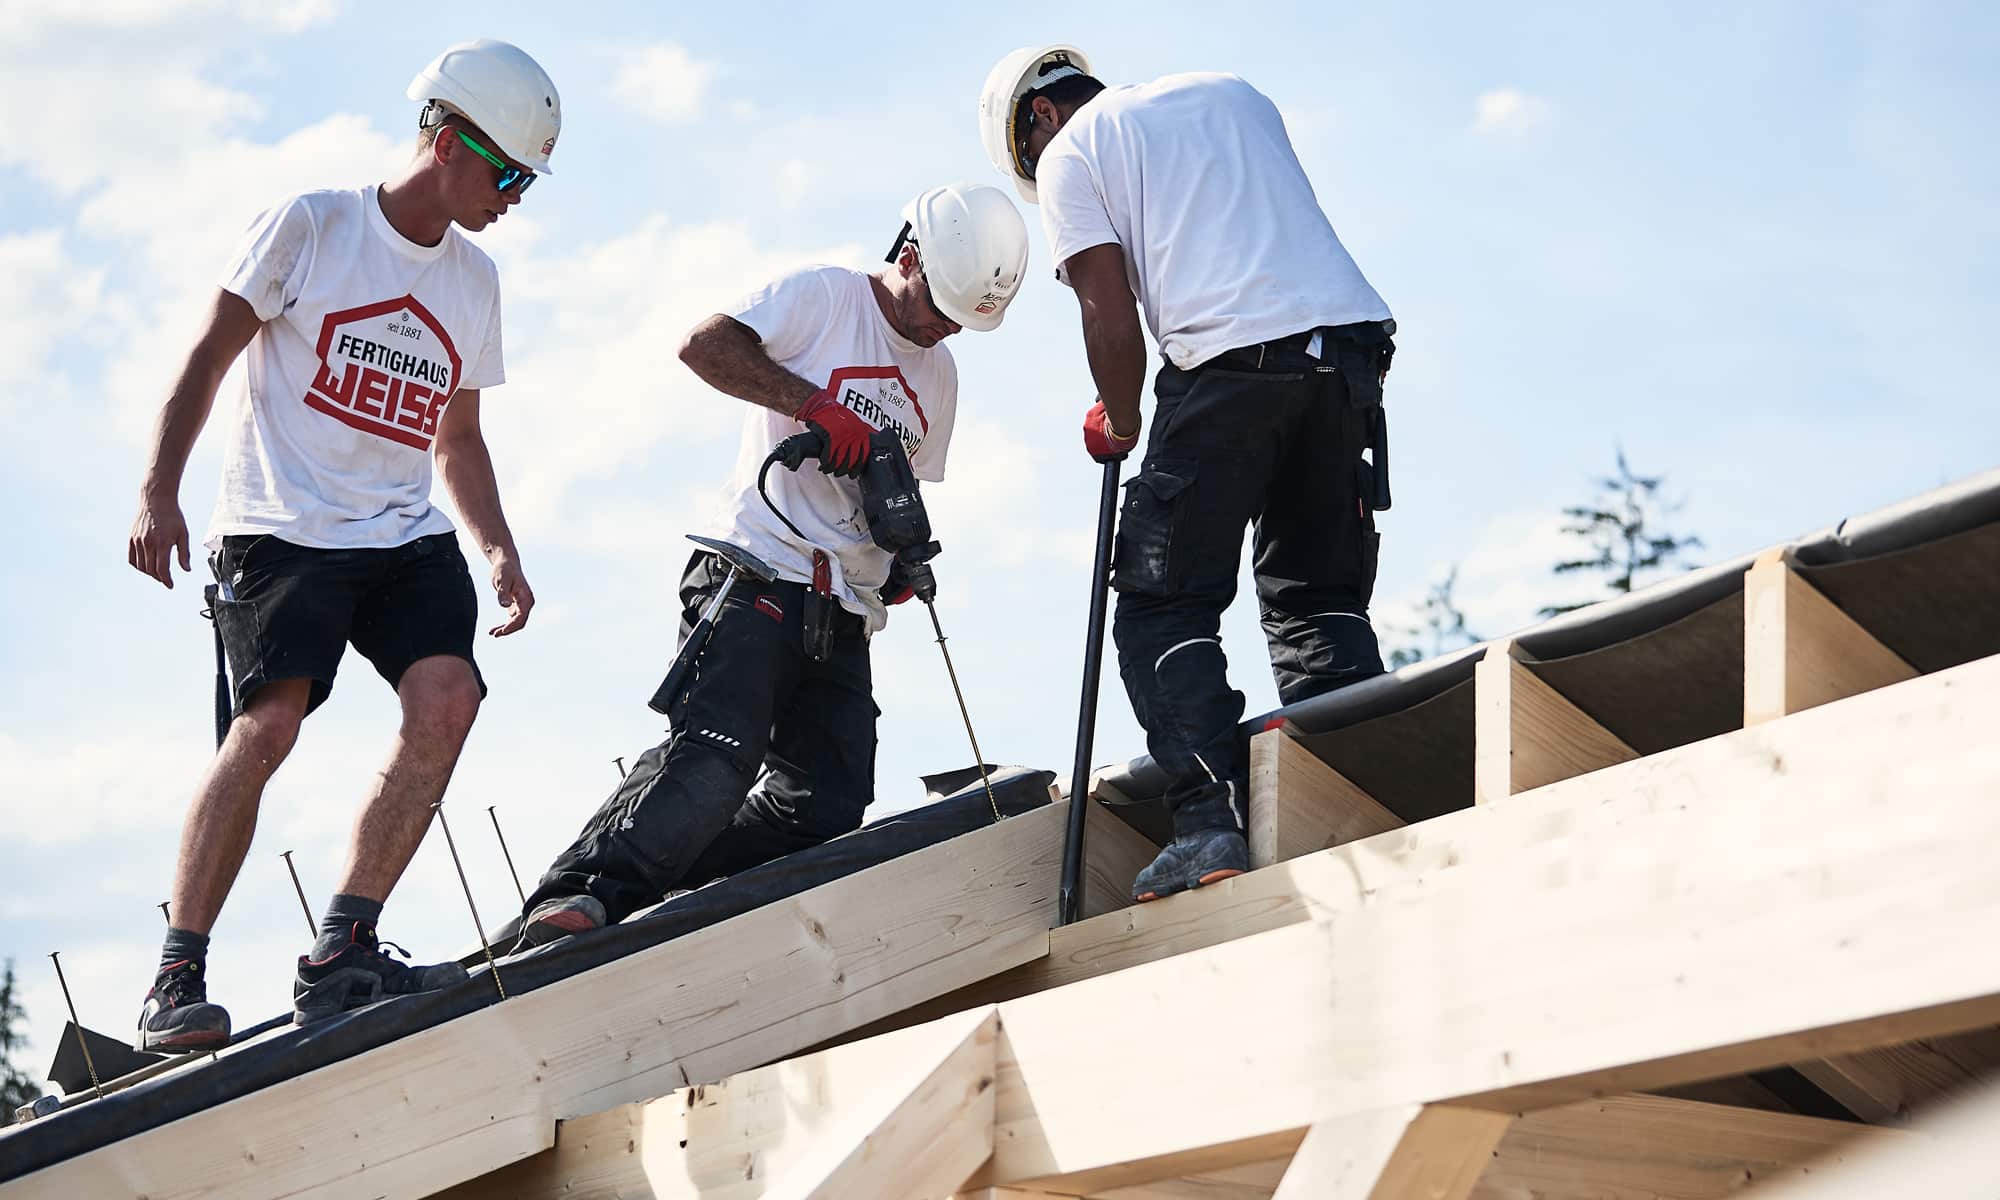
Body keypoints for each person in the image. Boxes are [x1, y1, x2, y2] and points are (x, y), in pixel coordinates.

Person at [124, 38, 560, 1048]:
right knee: (268, 727)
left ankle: (343, 949)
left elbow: (457, 438)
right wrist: (158, 491)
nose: (513, 198)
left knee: (448, 697)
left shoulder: (475, 281)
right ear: (447, 140)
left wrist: (496, 547)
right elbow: (207, 355)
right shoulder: (313, 226)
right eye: (505, 174)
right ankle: (175, 978)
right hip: (281, 527)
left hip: (401, 534)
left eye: (526, 185)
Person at [512, 184, 1029, 948]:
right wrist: (814, 405)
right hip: (754, 567)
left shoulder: (940, 375)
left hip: (840, 608)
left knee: (824, 803)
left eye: (964, 317)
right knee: (716, 755)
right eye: (942, 303)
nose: (946, 325)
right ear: (910, 256)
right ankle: (579, 897)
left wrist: (895, 562)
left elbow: (898, 482)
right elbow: (706, 345)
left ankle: (661, 877)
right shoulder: (823, 297)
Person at [978, 46, 1398, 902]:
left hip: (1228, 365)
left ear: (1037, 120)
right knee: (1316, 602)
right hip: (1347, 356)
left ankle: (1209, 822)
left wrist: (1121, 418)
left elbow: (1107, 303)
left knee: (1162, 604)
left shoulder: (1070, 152)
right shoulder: (1231, 90)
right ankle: (1375, 783)